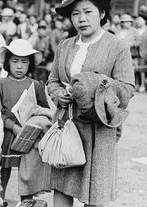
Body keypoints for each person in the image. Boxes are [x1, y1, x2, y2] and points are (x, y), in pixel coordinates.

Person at [48, 0, 135, 206]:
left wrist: (95, 86)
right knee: (62, 185)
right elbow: (52, 80)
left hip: (99, 129)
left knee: (95, 191)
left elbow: (128, 88)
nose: (81, 19)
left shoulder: (117, 46)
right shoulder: (64, 46)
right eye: (75, 14)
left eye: (88, 12)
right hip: (68, 124)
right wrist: (60, 94)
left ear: (102, 13)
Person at [0, 39, 50, 205]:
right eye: (15, 61)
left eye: (24, 62)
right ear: (8, 62)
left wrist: (34, 124)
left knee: (28, 174)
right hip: (6, 137)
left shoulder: (35, 85)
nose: (19, 66)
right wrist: (13, 126)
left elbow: (44, 111)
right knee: (2, 173)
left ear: (30, 64)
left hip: (29, 138)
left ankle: (27, 203)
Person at [135, 16, 147, 92]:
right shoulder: (135, 30)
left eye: (140, 20)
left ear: (145, 21)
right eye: (137, 20)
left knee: (143, 70)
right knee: (136, 69)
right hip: (135, 53)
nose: (138, 21)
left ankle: (142, 84)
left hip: (145, 53)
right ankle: (136, 84)